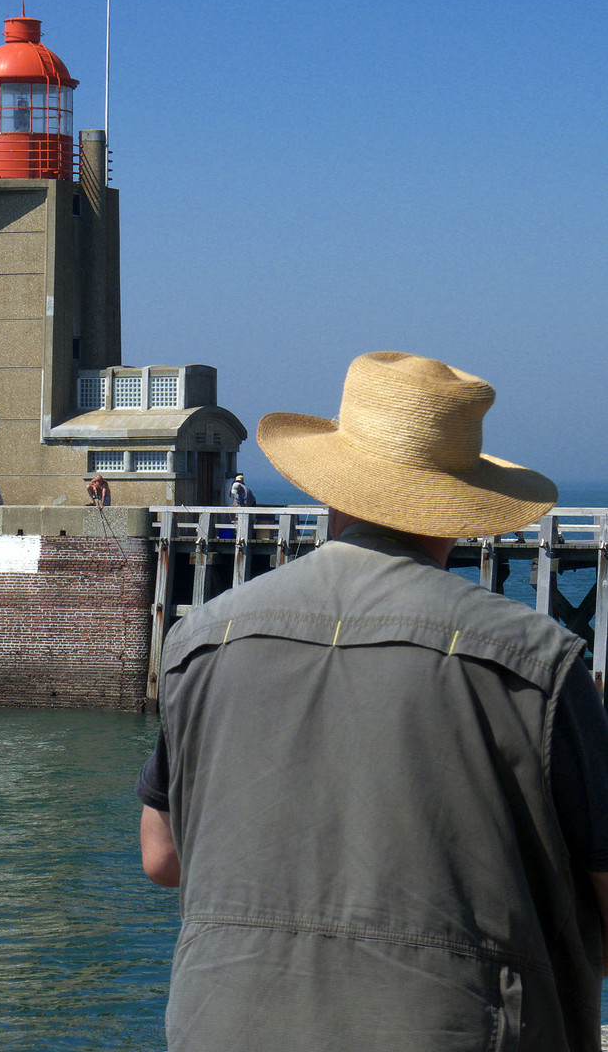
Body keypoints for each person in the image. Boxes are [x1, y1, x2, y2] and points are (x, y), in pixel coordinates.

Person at [137, 351, 608, 1051]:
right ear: (460, 506)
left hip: (221, 1024)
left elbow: (161, 855)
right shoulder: (535, 660)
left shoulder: (202, 638)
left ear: (331, 483)